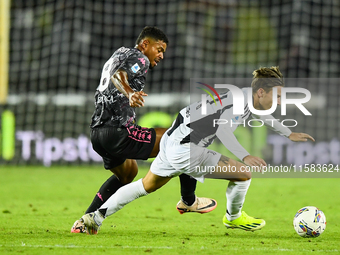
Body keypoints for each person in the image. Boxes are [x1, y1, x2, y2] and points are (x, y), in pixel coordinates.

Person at [79, 66, 315, 235]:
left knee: (144, 186)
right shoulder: (239, 102)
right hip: (186, 148)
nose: (279, 101)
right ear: (262, 92)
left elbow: (265, 115)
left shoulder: (244, 95)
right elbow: (223, 132)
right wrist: (245, 156)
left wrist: (288, 133)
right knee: (244, 173)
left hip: (173, 140)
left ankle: (95, 217)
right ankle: (233, 218)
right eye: (278, 95)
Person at [71, 27, 217, 233]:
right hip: (119, 131)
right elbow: (119, 77)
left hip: (98, 133)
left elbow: (115, 74)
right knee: (186, 139)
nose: (161, 55)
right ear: (145, 44)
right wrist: (130, 93)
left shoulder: (119, 53)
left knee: (127, 173)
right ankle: (189, 200)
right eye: (159, 49)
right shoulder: (140, 58)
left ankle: (84, 222)